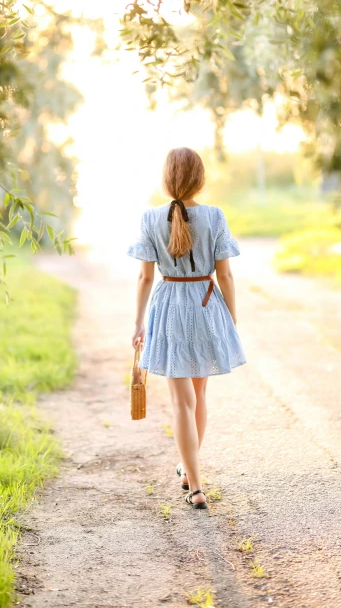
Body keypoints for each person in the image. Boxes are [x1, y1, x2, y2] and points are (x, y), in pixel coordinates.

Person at [127, 147, 246, 510]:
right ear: (200, 178)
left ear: (167, 178)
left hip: (168, 306)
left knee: (182, 402)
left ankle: (193, 483)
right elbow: (224, 274)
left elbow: (145, 277)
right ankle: (190, 473)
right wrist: (232, 317)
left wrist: (138, 322)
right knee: (199, 396)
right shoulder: (214, 215)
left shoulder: (150, 218)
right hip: (206, 304)